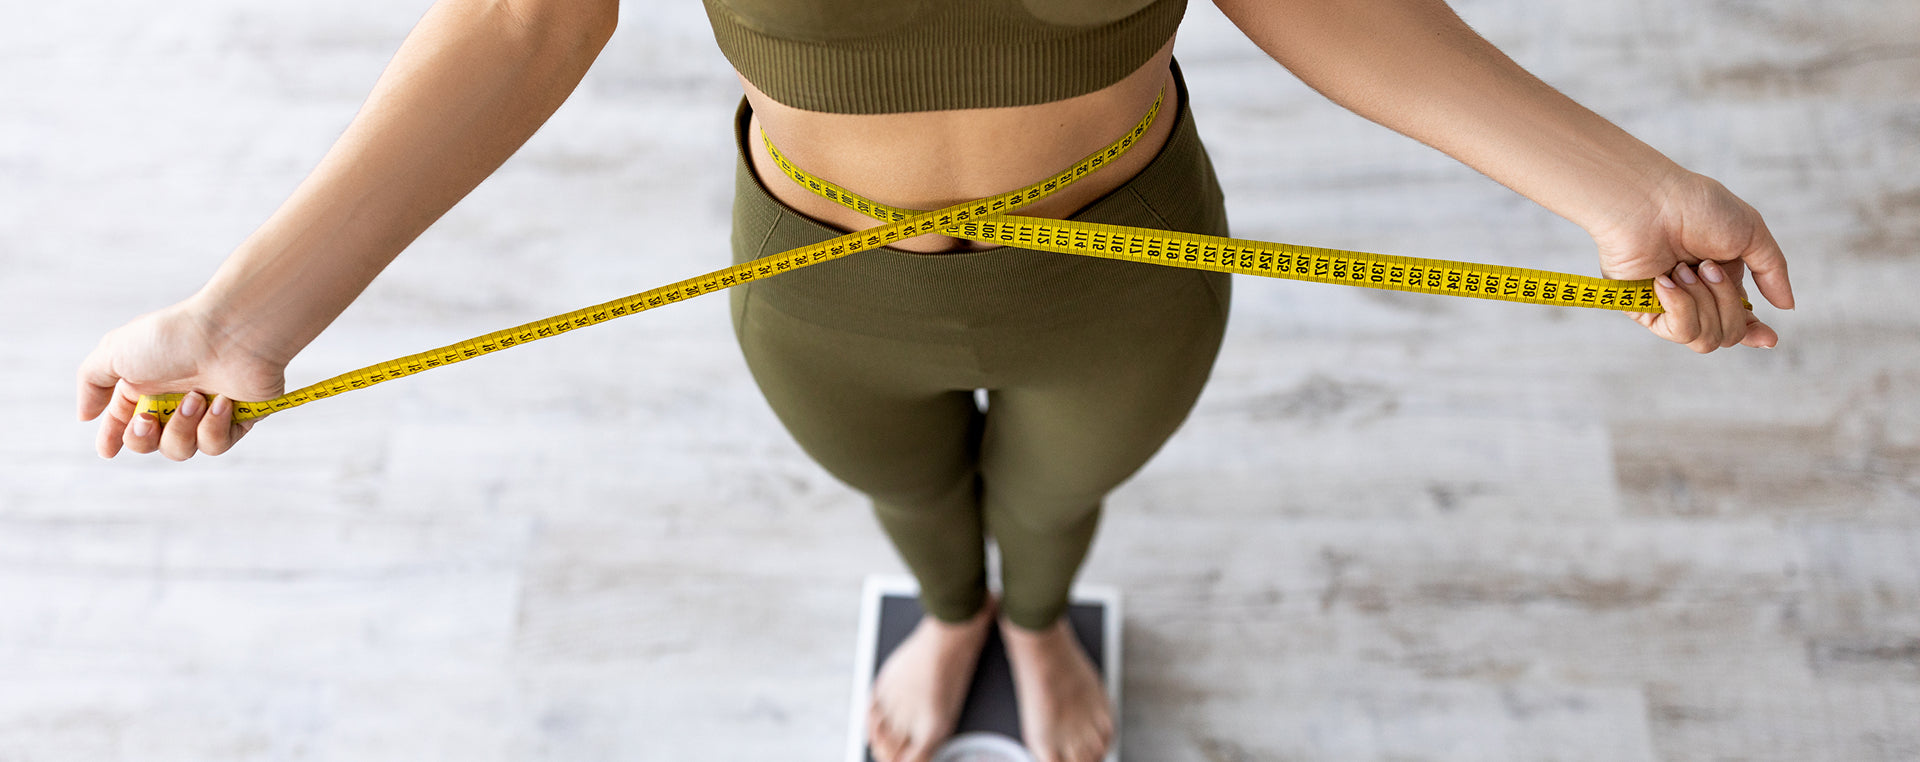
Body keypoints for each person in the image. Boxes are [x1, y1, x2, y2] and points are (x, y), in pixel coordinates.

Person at [76, 1, 1793, 761]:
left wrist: (1624, 190)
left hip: (1123, 271)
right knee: (904, 497)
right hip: (820, 283)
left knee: (1061, 498)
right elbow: (524, 16)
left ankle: (1031, 619)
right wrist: (245, 312)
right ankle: (957, 611)